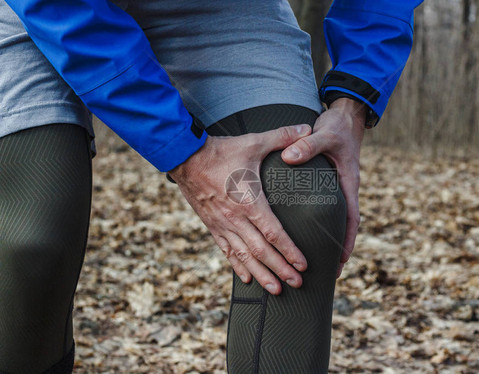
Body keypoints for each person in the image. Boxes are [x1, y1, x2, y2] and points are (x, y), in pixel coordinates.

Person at [0, 0, 423, 372]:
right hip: (45, 9)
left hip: (222, 9)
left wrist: (353, 99)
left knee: (303, 202)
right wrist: (184, 153)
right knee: (33, 240)